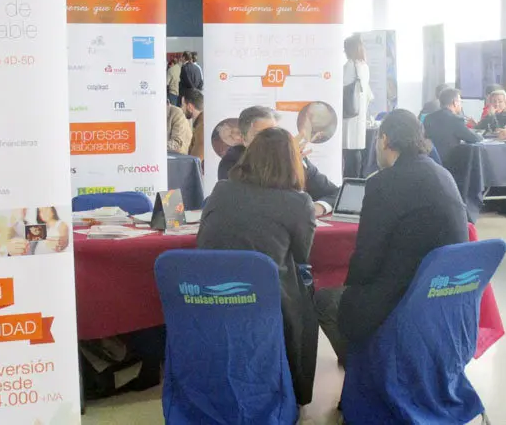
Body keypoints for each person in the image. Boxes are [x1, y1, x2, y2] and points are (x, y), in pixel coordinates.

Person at [313, 109, 469, 363]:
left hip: (405, 296)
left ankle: (367, 370)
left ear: (384, 139)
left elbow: (366, 259)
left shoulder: (384, 183)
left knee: (325, 299)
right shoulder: (441, 173)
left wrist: (351, 292)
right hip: (445, 293)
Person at [198, 127, 318, 405]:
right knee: (308, 299)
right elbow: (302, 256)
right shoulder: (299, 202)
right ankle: (298, 392)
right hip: (266, 299)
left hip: (210, 294)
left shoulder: (221, 189)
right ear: (292, 161)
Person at [218, 106, 339, 216]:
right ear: (244, 140)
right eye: (260, 136)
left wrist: (320, 207)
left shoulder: (295, 157)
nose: (270, 141)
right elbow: (251, 202)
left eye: (274, 134)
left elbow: (336, 194)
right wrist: (284, 162)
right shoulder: (233, 161)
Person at [342, 33, 374, 178]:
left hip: (349, 114)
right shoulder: (364, 66)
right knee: (355, 150)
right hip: (358, 113)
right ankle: (355, 178)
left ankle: (350, 180)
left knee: (349, 150)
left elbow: (340, 85)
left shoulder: (349, 66)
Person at [424, 87, 482, 163]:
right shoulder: (455, 120)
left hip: (430, 161)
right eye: (460, 102)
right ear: (455, 103)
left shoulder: (428, 118)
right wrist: (480, 135)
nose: (461, 105)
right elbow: (473, 138)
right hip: (449, 163)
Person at [181, 89, 204, 161]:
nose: (182, 109)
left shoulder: (201, 127)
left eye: (182, 105)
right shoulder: (202, 123)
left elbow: (195, 162)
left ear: (190, 107)